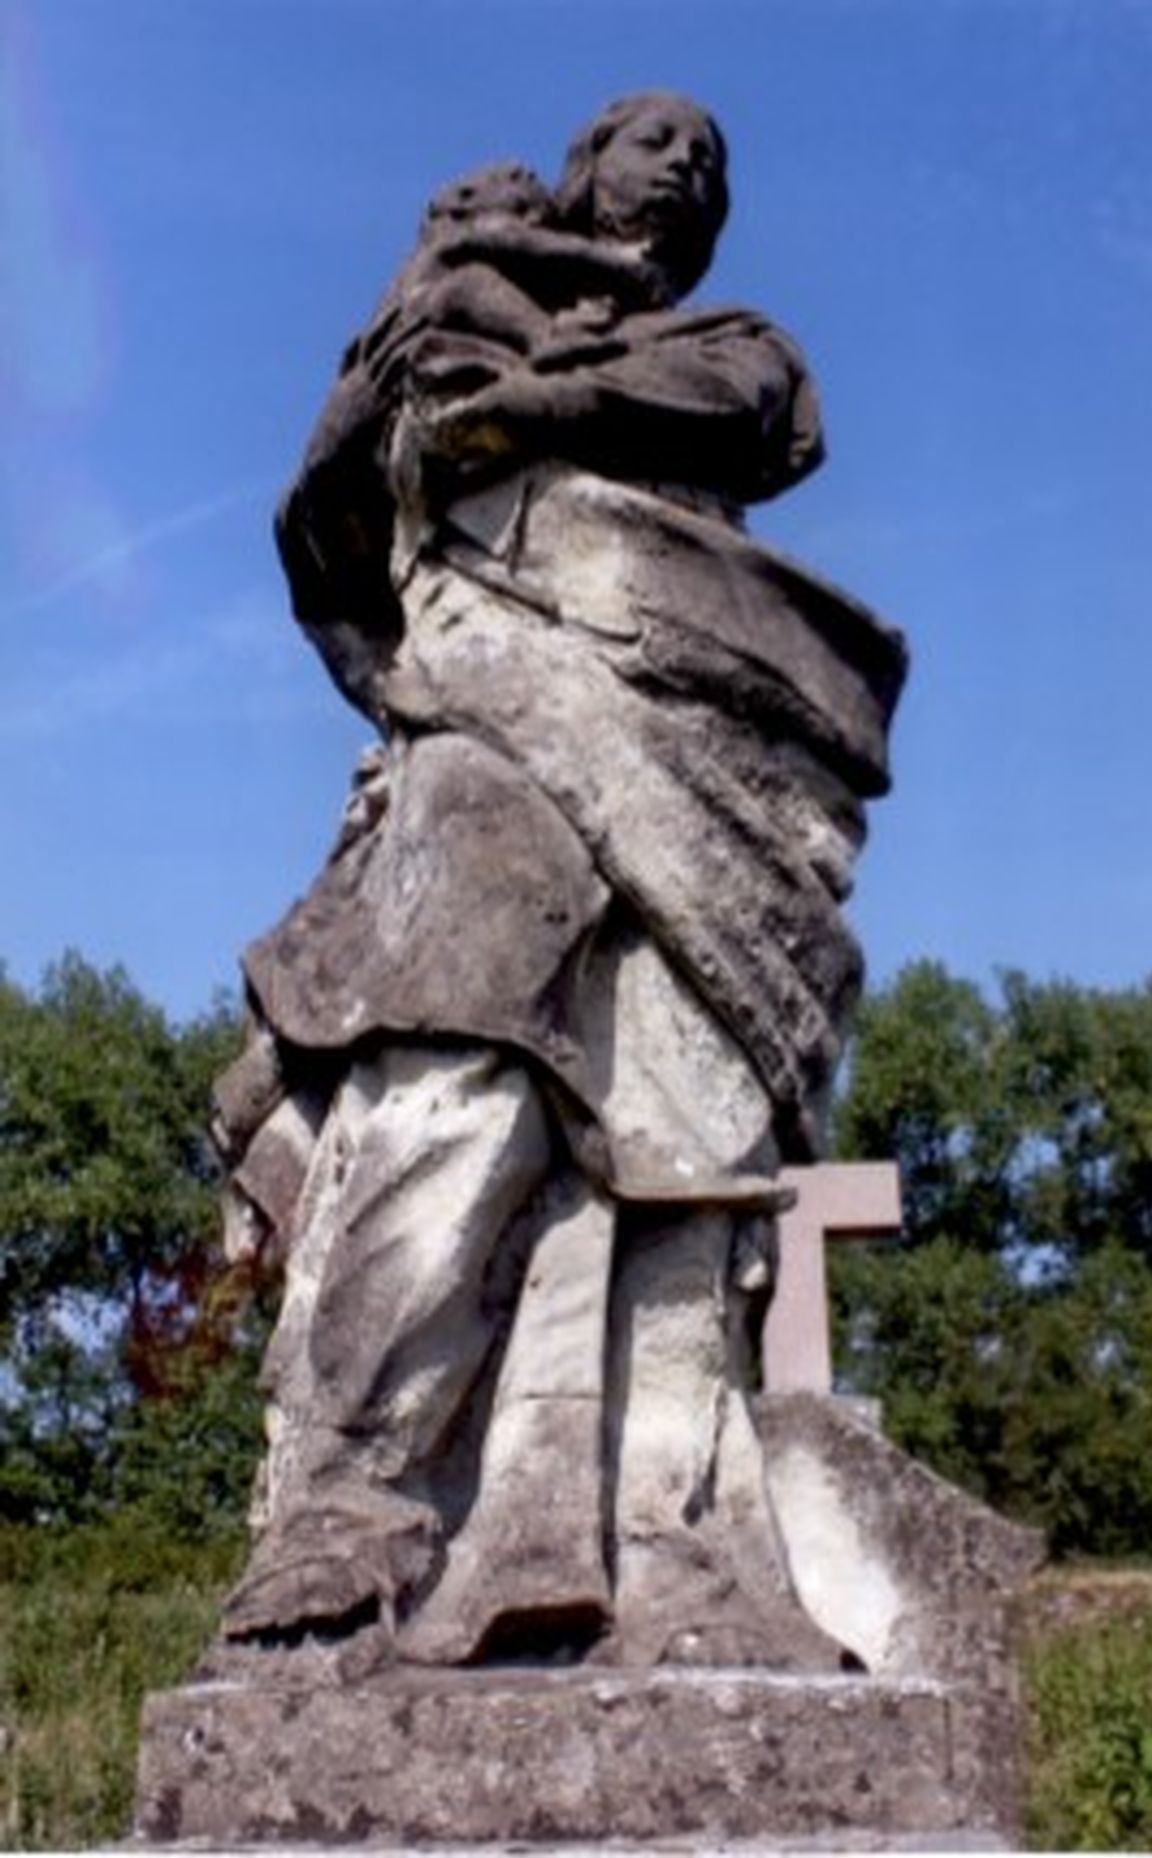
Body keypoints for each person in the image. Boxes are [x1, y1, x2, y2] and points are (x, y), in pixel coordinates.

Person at [216, 91, 905, 1670]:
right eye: (648, 135)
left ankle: (666, 1529)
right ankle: (356, 1500)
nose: (680, 161)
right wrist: (422, 373)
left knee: (682, 1135)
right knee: (456, 1058)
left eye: (708, 156)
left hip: (692, 765)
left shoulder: (729, 338)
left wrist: (523, 400)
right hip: (495, 714)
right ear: (583, 167)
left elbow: (745, 407)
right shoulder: (443, 292)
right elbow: (336, 506)